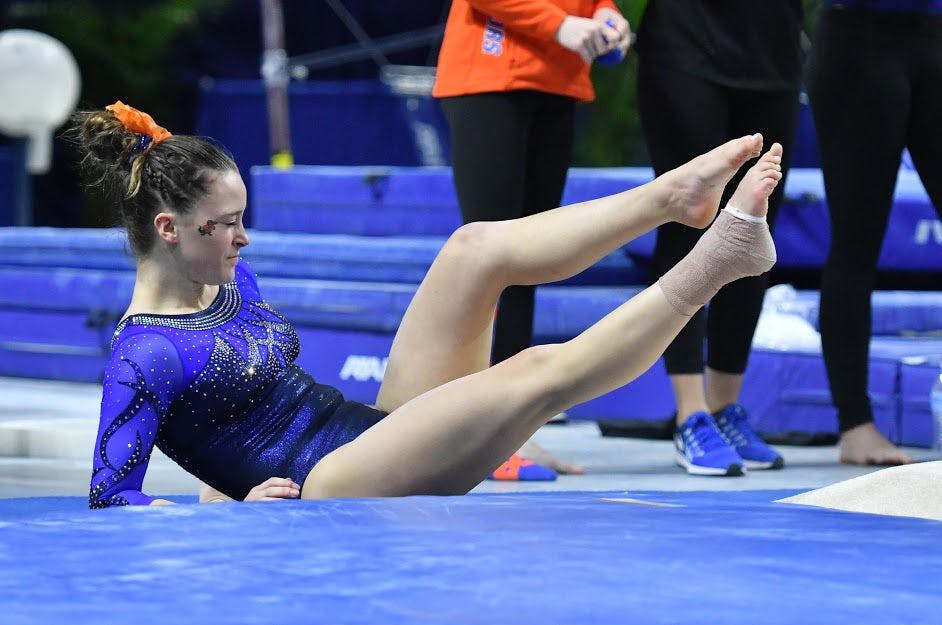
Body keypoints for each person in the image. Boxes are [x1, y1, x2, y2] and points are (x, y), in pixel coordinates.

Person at [81, 101, 781, 508]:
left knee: (474, 249)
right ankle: (721, 260)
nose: (244, 237)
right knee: (534, 371)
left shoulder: (222, 276)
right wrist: (227, 511)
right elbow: (112, 499)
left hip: (370, 433)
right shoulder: (143, 354)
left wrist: (219, 490)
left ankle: (670, 200)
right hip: (327, 485)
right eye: (223, 224)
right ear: (168, 230)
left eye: (241, 217)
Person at [433, 0, 631, 478]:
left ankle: (509, 434)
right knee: (492, 258)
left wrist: (609, 18)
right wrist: (558, 25)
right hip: (491, 74)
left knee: (528, 265)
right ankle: (468, 433)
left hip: (557, 81)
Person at [634, 0, 804, 475]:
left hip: (773, 51)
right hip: (686, 44)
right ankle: (691, 413)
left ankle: (726, 405)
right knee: (688, 221)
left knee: (754, 224)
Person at [807, 0, 941, 466]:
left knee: (855, 245)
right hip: (857, 42)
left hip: (933, 33)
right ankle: (855, 425)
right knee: (856, 241)